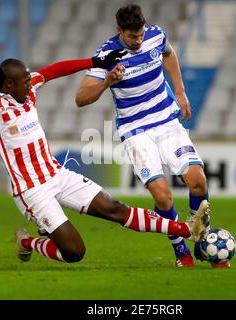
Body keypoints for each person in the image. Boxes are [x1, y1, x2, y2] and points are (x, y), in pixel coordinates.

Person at [0, 53, 209, 264]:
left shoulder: (28, 92)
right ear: (7, 85)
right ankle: (28, 241)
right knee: (74, 252)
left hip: (57, 174)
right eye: (25, 82)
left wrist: (93, 62)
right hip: (31, 189)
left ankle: (187, 229)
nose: (31, 85)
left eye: (30, 80)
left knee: (114, 209)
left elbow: (54, 70)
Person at [75, 4, 223, 267]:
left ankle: (202, 239)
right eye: (133, 36)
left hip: (167, 120)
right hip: (135, 130)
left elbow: (169, 54)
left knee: (198, 181)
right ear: (120, 31)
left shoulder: (155, 35)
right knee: (162, 196)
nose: (139, 40)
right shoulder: (106, 54)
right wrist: (107, 81)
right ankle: (181, 252)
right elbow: (81, 98)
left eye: (141, 34)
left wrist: (180, 91)